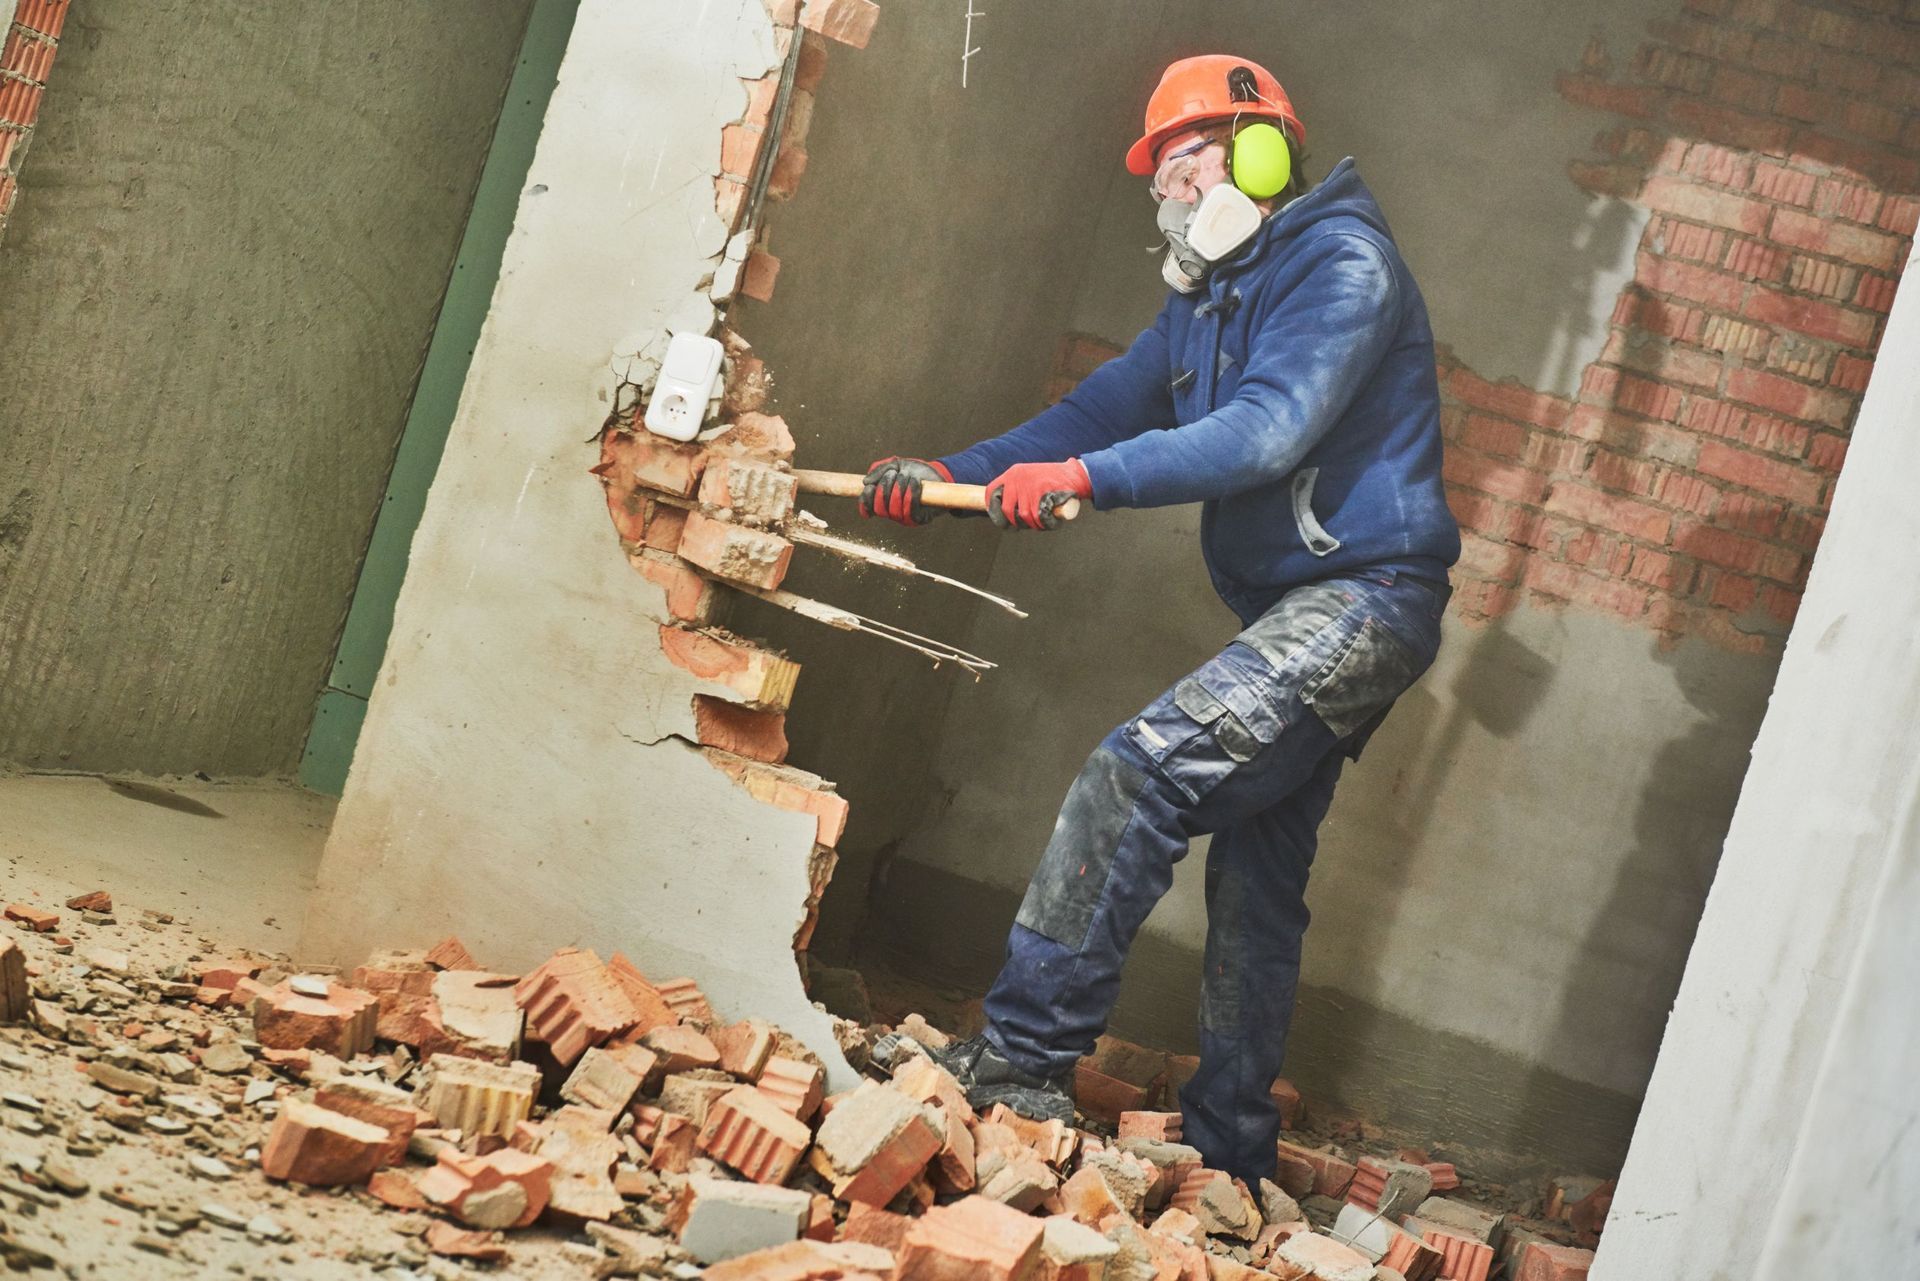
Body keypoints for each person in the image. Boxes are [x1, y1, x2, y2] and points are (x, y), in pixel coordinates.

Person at [860, 54, 1460, 1185]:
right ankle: (1232, 1157)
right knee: (1257, 875)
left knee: (1137, 775)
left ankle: (1021, 1060)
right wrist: (951, 473)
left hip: (1363, 601)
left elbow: (1266, 433)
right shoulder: (1206, 297)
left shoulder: (1342, 266)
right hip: (1303, 608)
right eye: (1162, 171)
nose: (1170, 190)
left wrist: (1088, 479)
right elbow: (1097, 407)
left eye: (1188, 160)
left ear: (1262, 153)